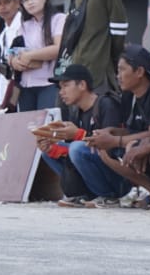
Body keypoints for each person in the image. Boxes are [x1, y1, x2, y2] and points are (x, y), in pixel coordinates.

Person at [86, 45, 150, 206]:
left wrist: (116, 141)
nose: (118, 76)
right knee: (104, 147)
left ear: (139, 72)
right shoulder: (128, 95)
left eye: (122, 70)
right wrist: (110, 132)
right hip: (141, 141)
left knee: (128, 146)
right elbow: (131, 130)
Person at [33, 64, 125, 207]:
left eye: (65, 86)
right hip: (94, 165)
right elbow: (74, 155)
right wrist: (51, 149)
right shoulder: (76, 111)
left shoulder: (106, 104)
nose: (61, 92)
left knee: (76, 148)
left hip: (118, 177)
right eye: (60, 88)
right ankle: (80, 194)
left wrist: (79, 135)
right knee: (48, 152)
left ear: (82, 85)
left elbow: (111, 148)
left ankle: (108, 197)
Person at [9, 0, 65, 111]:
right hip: (25, 85)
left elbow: (58, 48)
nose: (30, 2)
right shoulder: (24, 25)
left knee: (46, 126)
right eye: (25, 0)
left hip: (49, 83)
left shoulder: (58, 19)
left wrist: (30, 55)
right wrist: (14, 62)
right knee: (28, 128)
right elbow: (13, 51)